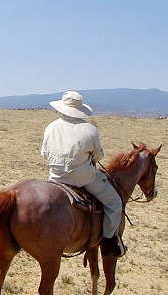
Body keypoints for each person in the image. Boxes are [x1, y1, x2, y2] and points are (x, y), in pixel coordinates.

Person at [40, 91, 126, 257]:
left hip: (55, 178)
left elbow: (44, 153)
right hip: (83, 179)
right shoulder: (89, 130)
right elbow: (98, 156)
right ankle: (109, 240)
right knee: (115, 202)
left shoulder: (51, 127)